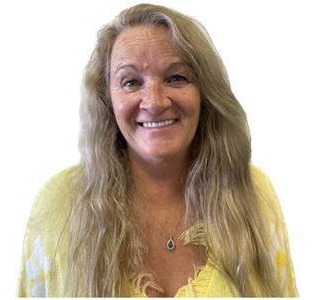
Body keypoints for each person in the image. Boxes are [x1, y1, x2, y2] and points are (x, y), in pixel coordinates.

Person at [17, 3, 298, 297]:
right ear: (107, 101)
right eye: (131, 82)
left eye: (176, 77)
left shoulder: (253, 194)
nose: (154, 102)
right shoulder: (60, 205)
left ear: (205, 94)